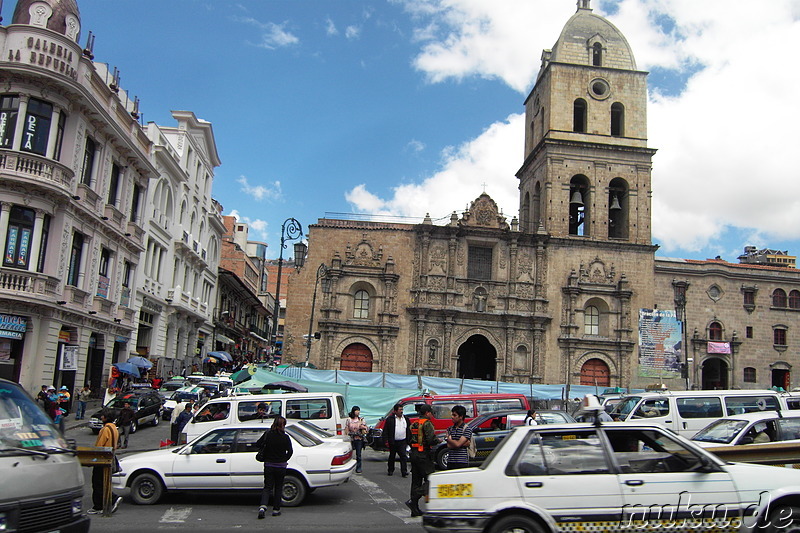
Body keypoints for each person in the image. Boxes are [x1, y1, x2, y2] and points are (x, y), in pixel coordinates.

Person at [256, 416, 293, 519]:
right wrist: (284, 459)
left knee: (267, 487)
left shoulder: (268, 435)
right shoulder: (285, 437)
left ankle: (263, 507)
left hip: (269, 465)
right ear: (283, 425)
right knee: (278, 487)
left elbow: (258, 444)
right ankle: (276, 510)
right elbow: (290, 451)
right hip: (281, 466)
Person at [88, 410, 123, 515]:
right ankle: (100, 505)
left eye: (102, 416)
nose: (101, 417)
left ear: (105, 418)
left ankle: (110, 500)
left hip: (102, 458)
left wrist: (93, 459)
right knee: (104, 481)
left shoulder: (105, 429)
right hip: (110, 457)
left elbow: (99, 446)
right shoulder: (114, 428)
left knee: (97, 482)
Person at [406, 403, 438, 517]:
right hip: (423, 454)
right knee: (431, 479)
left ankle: (414, 508)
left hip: (414, 454)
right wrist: (438, 440)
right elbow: (430, 440)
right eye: (431, 413)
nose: (431, 415)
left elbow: (409, 439)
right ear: (427, 413)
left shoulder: (414, 423)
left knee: (416, 480)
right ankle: (413, 498)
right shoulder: (427, 424)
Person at [383, 403, 410, 477]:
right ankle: (390, 470)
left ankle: (404, 471)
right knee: (392, 456)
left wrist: (409, 440)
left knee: (403, 456)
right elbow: (386, 430)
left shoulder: (406, 419)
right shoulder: (390, 419)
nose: (401, 411)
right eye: (400, 410)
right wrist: (386, 440)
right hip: (393, 441)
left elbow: (408, 430)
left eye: (402, 410)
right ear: (395, 411)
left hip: (403, 441)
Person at [445, 405, 472, 470]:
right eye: (452, 415)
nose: (452, 417)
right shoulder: (450, 429)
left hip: (462, 462)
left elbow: (457, 444)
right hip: (450, 461)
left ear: (461, 417)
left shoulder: (467, 429)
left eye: (454, 415)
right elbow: (449, 445)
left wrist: (448, 439)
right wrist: (461, 444)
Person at [345, 405, 368, 474]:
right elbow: (346, 428)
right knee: (348, 454)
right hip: (351, 438)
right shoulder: (349, 419)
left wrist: (363, 427)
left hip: (359, 438)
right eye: (356, 410)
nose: (358, 412)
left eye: (358, 410)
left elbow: (366, 428)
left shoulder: (361, 419)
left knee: (359, 454)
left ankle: (359, 468)